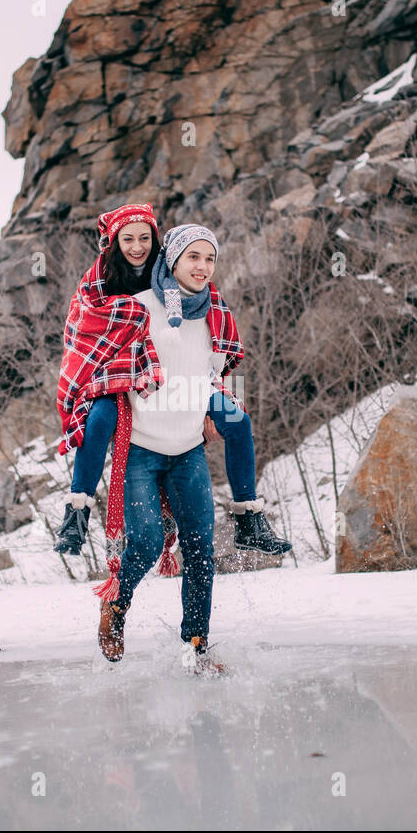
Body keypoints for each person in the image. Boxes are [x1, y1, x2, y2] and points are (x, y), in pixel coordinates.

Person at [54, 204, 290, 560]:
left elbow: (202, 331)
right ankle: (76, 515)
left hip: (182, 378)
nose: (137, 246)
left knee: (238, 421)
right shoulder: (99, 279)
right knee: (100, 420)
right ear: (113, 241)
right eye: (128, 238)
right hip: (114, 369)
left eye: (145, 238)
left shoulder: (167, 271)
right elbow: (83, 328)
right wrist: (128, 321)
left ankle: (249, 521)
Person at [94, 223, 233, 673]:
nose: (203, 267)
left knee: (200, 547)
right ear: (171, 259)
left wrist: (221, 409)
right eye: (194, 257)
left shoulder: (215, 311)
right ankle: (116, 606)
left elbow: (222, 370)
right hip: (140, 447)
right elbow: (102, 369)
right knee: (149, 540)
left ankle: (196, 645)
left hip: (189, 448)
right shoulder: (138, 308)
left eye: (210, 259)